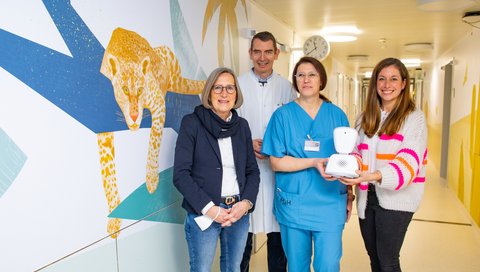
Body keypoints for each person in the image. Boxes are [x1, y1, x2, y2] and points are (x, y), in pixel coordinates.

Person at [261, 56, 354, 272]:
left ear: (321, 79)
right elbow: (276, 162)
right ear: (295, 80)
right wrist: (313, 162)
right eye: (300, 75)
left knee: (328, 265)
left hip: (330, 203)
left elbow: (347, 160)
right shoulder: (282, 116)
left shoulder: (337, 115)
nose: (306, 79)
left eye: (312, 74)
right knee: (296, 266)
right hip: (294, 204)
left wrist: (350, 194)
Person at [335, 57, 428, 272]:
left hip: (398, 200)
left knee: (388, 261)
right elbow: (356, 152)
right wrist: (348, 174)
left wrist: (369, 176)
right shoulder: (364, 117)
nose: (387, 85)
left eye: (394, 79)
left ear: (404, 83)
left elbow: (407, 165)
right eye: (382, 79)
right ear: (375, 83)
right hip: (368, 197)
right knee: (374, 258)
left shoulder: (414, 118)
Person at [173, 67, 260, 272]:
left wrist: (246, 204)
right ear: (209, 94)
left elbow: (252, 171)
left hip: (237, 212)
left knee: (234, 268)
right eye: (218, 88)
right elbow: (181, 175)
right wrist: (210, 209)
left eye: (230, 88)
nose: (224, 93)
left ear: (236, 94)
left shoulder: (242, 126)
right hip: (204, 213)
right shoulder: (192, 123)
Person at [237, 31, 296, 272]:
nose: (262, 58)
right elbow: (227, 126)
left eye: (268, 52)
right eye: (257, 52)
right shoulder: (237, 84)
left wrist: (274, 147)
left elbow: (294, 130)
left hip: (277, 173)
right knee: (242, 240)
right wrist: (246, 143)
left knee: (278, 240)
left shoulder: (288, 89)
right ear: (250, 53)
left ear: (276, 54)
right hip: (243, 172)